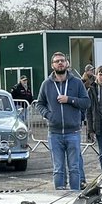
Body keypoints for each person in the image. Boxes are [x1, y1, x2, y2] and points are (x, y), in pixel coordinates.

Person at [36, 52, 90, 190]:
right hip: (54, 133)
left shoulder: (77, 83)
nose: (60, 63)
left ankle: (75, 196)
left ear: (67, 63)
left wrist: (70, 99)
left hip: (73, 132)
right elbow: (39, 104)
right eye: (56, 61)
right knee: (58, 168)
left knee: (74, 167)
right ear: (52, 65)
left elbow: (86, 102)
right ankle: (59, 198)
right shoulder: (46, 84)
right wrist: (49, 115)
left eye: (62, 60)